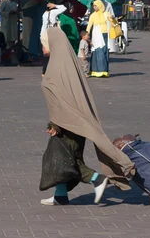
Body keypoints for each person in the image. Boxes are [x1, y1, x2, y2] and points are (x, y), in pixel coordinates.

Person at [39, 28, 135, 206]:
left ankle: (97, 180)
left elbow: (63, 101)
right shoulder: (65, 63)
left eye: (43, 42)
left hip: (67, 125)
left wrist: (55, 124)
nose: (42, 47)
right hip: (72, 123)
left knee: (65, 160)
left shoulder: (58, 67)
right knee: (62, 158)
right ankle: (61, 195)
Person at [86, 0, 112, 78]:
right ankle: (97, 71)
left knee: (104, 51)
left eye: (96, 6)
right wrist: (86, 34)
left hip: (105, 35)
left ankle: (104, 71)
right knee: (98, 51)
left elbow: (113, 22)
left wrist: (113, 18)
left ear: (100, 5)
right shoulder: (93, 15)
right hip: (97, 35)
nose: (94, 7)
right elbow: (89, 26)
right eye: (93, 6)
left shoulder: (106, 14)